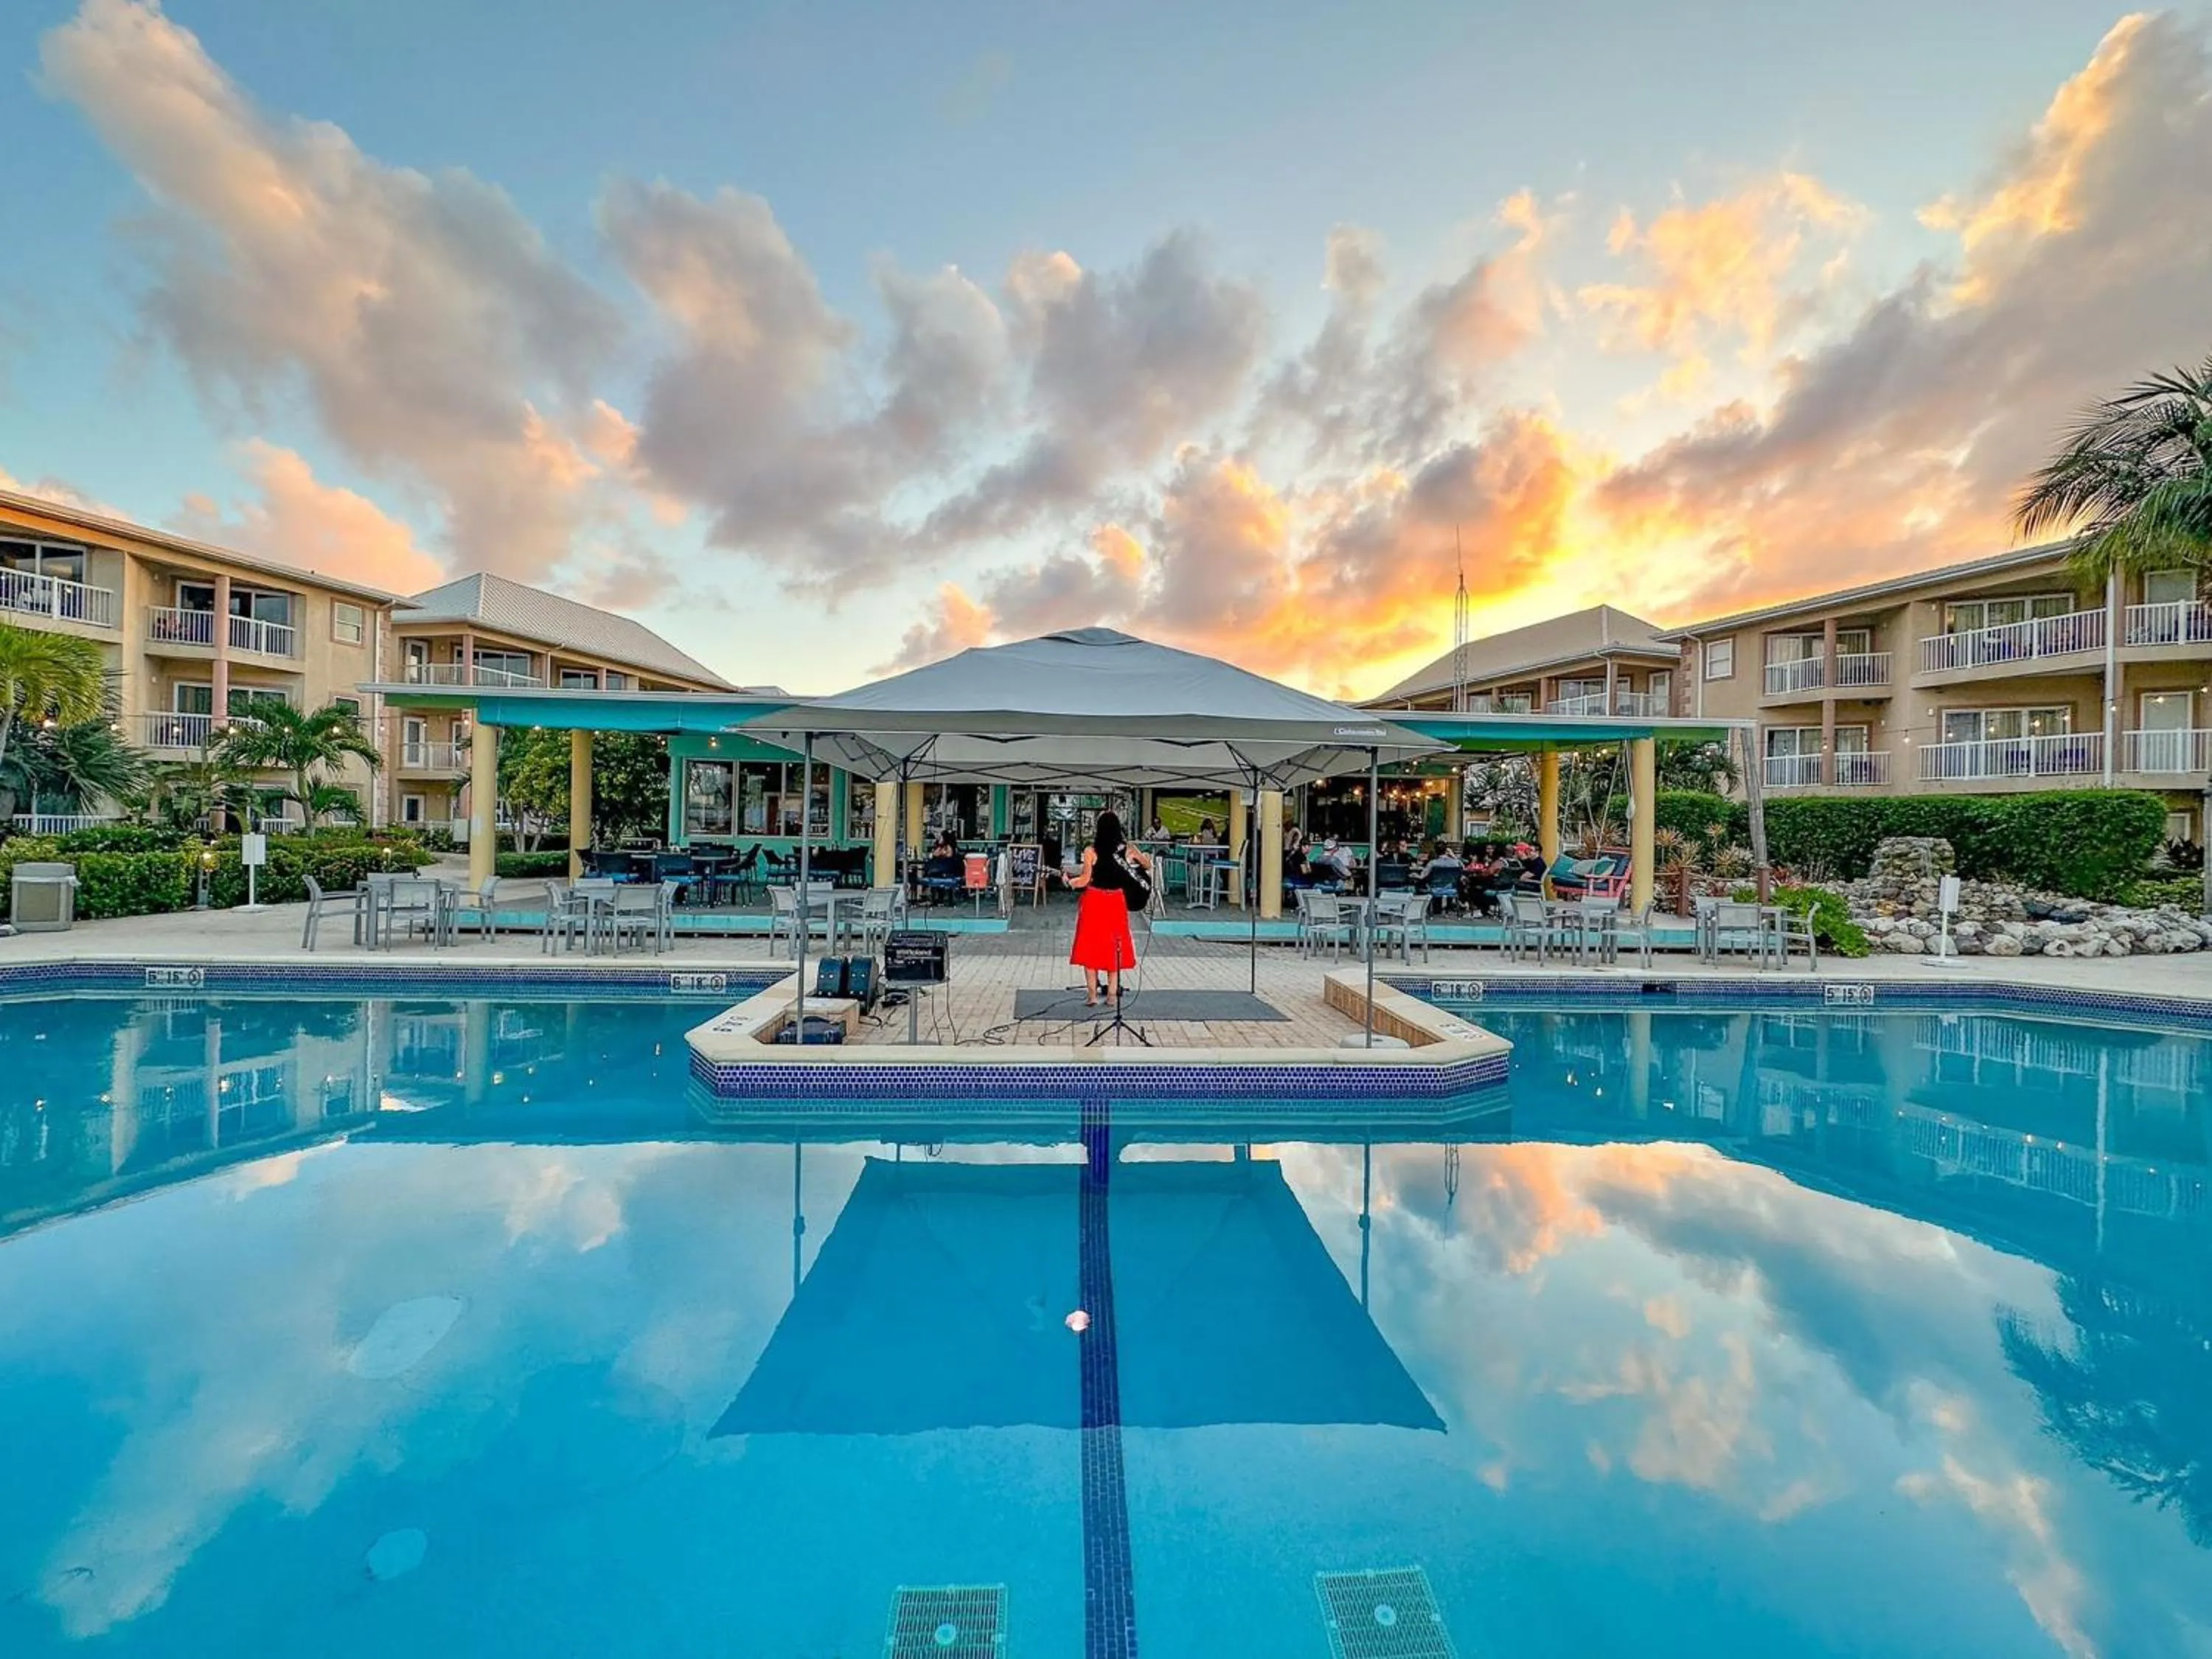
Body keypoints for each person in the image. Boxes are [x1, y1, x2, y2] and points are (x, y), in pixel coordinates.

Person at [1066, 810, 1154, 1006]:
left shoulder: (1091, 851)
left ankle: (1092, 996)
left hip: (1094, 901)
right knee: (1114, 947)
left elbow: (1085, 880)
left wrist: (1071, 882)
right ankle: (1113, 995)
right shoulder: (1127, 849)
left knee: (1090, 946)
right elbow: (1148, 866)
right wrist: (1137, 855)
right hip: (1116, 901)